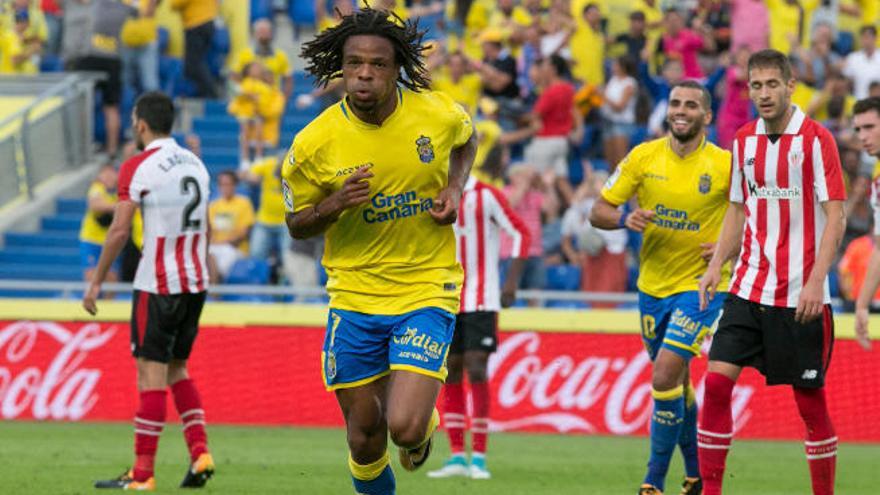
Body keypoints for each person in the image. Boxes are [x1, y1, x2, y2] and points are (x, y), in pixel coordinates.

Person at [281, 8, 477, 495]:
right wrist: (334, 204)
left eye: (377, 64)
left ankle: (421, 427)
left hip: (425, 285)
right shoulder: (314, 144)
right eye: (353, 64)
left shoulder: (436, 112)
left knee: (405, 429)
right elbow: (295, 226)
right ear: (340, 69)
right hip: (353, 294)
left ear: (397, 69)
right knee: (364, 438)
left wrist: (454, 188)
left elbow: (467, 140)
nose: (364, 74)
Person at [698, 49, 846, 495]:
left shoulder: (817, 140)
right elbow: (737, 211)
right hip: (747, 288)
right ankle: (711, 490)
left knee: (809, 404)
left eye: (771, 84)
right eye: (755, 86)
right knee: (715, 384)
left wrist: (818, 281)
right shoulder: (742, 140)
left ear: (790, 85)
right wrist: (716, 265)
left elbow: (835, 216)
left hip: (800, 295)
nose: (763, 93)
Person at [590, 80, 732, 495]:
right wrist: (622, 220)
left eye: (691, 105)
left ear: (707, 116)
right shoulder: (643, 156)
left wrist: (729, 248)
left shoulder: (725, 164)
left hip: (702, 284)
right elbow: (599, 210)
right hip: (652, 286)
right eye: (675, 103)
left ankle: (653, 481)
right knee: (676, 381)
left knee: (667, 369)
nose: (681, 110)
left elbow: (754, 216)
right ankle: (695, 474)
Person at [83, 92, 214, 490]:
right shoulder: (196, 163)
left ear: (141, 124)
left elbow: (120, 229)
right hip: (195, 283)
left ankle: (142, 474)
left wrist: (97, 280)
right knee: (178, 368)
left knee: (150, 374)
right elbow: (205, 228)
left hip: (157, 284)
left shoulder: (138, 165)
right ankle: (200, 452)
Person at [427, 174, 530, 480]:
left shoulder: (486, 195)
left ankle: (480, 457)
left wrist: (511, 282)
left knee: (476, 366)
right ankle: (458, 455)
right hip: (444, 297)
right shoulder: (430, 193)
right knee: (451, 369)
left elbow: (521, 233)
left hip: (482, 297)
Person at [852, 96, 880, 350]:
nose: (862, 136)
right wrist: (862, 304)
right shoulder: (876, 175)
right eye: (858, 129)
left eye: (869, 127)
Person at [208, 170, 255, 283]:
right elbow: (209, 231)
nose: (225, 188)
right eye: (222, 185)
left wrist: (223, 242)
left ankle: (215, 291)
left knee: (217, 260)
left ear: (235, 185)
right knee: (207, 255)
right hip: (214, 247)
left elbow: (244, 233)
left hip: (235, 248)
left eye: (228, 184)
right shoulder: (213, 205)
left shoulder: (244, 203)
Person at [230, 18, 294, 98]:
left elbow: (288, 79)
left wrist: (284, 98)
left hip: (271, 102)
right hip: (249, 101)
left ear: (271, 34)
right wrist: (242, 92)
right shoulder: (244, 54)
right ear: (255, 34)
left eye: (266, 32)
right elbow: (233, 76)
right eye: (261, 32)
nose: (264, 36)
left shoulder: (280, 56)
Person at [79, 164, 120, 284]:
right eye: (105, 174)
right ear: (99, 177)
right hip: (92, 240)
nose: (108, 178)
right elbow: (95, 205)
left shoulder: (120, 190)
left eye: (112, 174)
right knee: (91, 276)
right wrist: (118, 207)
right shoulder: (96, 188)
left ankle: (108, 303)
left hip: (111, 241)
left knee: (112, 278)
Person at [170, 0, 218, 98]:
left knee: (193, 64)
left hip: (197, 24)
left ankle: (211, 94)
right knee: (195, 64)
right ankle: (203, 94)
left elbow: (175, 3)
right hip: (207, 22)